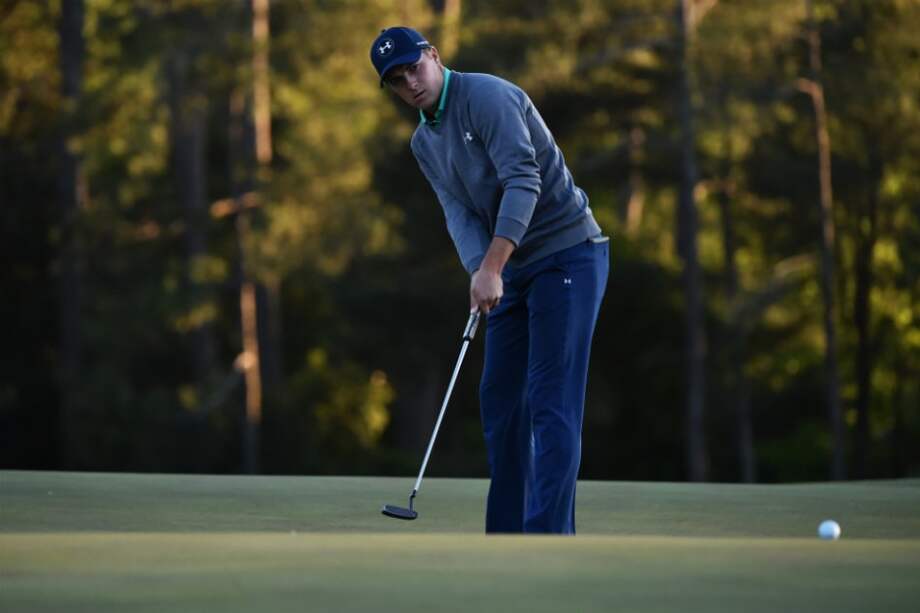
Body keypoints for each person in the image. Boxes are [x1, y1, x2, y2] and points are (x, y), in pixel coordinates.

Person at [370, 26, 608, 534]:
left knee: (550, 400)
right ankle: (505, 538)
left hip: (567, 255)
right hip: (511, 269)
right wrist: (481, 269)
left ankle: (547, 537)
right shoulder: (423, 141)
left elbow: (525, 179)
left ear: (434, 56)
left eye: (415, 66)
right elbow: (457, 212)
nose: (410, 82)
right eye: (396, 79)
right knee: (501, 402)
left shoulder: (488, 97)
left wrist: (493, 267)